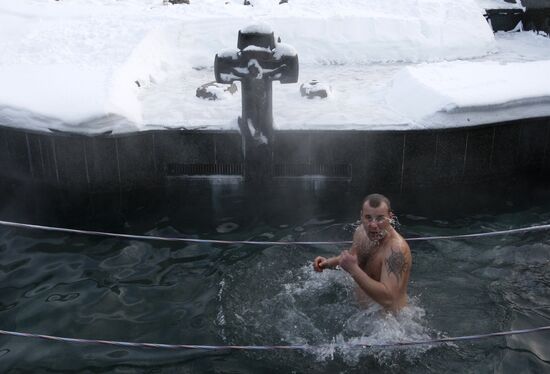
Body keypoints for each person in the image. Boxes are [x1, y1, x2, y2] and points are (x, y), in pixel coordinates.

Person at [313, 194, 411, 312]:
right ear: (361, 216)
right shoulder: (361, 232)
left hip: (388, 323)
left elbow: (388, 299)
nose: (373, 225)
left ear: (390, 217)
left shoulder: (396, 249)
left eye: (380, 218)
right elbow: (352, 259)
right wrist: (326, 263)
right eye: (368, 217)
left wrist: (354, 269)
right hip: (361, 314)